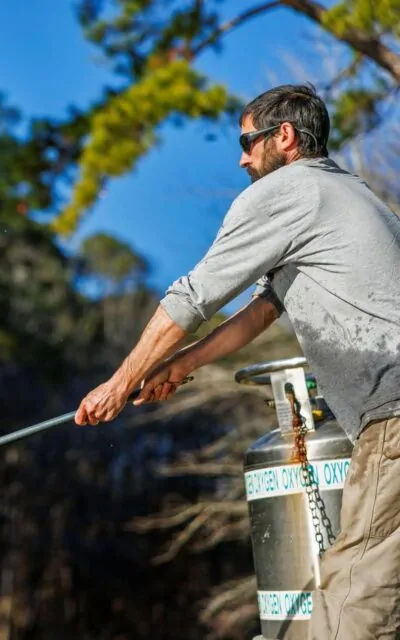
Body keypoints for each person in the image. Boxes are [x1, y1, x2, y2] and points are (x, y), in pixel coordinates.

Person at [73, 83, 400, 639]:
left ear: (285, 137)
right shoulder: (353, 197)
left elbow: (193, 296)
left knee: (353, 605)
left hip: (394, 420)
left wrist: (118, 381)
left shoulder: (289, 191)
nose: (242, 156)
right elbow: (266, 309)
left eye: (248, 141)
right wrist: (178, 364)